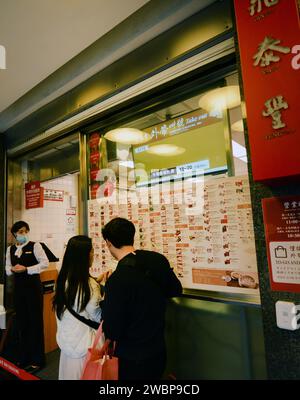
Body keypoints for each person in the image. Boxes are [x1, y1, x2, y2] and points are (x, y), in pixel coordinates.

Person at [100, 217, 182, 380]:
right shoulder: (157, 259)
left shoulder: (116, 280)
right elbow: (175, 290)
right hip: (158, 349)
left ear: (108, 243)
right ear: (132, 236)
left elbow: (112, 330)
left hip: (132, 358)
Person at [52, 235, 104, 380]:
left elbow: (77, 300)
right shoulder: (89, 285)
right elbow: (96, 315)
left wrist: (95, 282)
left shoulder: (62, 280)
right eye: (92, 251)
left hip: (66, 341)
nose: (93, 254)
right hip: (84, 345)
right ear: (85, 256)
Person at [5, 220, 49, 373]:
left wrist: (26, 269)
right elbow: (7, 268)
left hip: (33, 289)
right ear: (14, 234)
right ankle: (24, 357)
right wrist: (12, 269)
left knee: (35, 323)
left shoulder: (35, 246)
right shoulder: (10, 249)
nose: (22, 234)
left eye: (25, 231)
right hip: (18, 291)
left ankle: (38, 360)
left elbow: (45, 264)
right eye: (19, 232)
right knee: (22, 323)